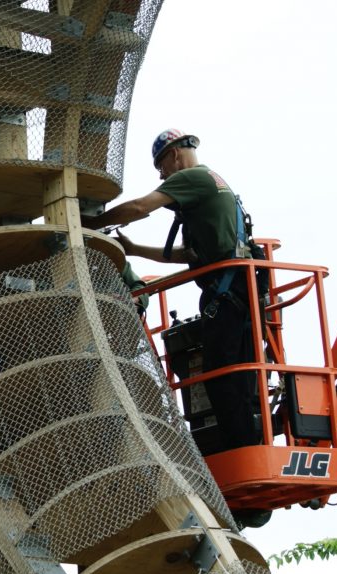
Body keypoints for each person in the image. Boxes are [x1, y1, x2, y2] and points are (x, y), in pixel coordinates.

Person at [84, 129, 258, 452]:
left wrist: (90, 225)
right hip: (237, 287)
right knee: (236, 374)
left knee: (222, 375)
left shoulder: (192, 177)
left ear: (174, 154)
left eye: (160, 166)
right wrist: (134, 249)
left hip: (228, 289)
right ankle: (243, 446)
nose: (161, 174)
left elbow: (138, 207)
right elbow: (188, 255)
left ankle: (239, 450)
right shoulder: (210, 186)